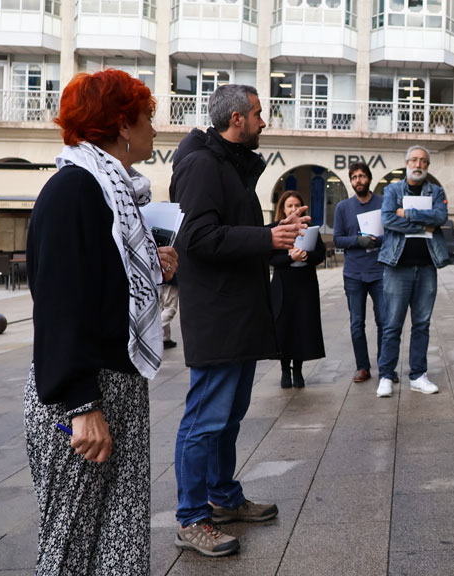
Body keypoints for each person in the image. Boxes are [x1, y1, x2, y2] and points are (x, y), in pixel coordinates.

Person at [24, 68, 178, 575]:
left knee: (119, 540)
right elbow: (60, 301)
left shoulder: (118, 192)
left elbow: (103, 275)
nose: (155, 129)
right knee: (72, 549)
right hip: (85, 397)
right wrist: (81, 403)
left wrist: (154, 262)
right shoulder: (75, 189)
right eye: (147, 118)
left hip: (119, 386)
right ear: (121, 125)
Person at [170, 84, 309, 556]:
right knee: (204, 421)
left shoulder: (228, 165)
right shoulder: (203, 166)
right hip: (218, 314)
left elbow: (237, 236)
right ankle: (191, 517)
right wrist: (267, 238)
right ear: (235, 120)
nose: (263, 121)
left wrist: (278, 237)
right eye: (256, 113)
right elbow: (199, 240)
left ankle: (223, 498)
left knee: (228, 418)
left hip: (239, 311)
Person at [375, 145, 450, 398]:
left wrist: (407, 213)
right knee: (392, 324)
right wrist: (423, 222)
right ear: (406, 162)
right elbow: (387, 220)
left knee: (422, 324)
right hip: (398, 267)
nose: (418, 165)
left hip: (427, 266)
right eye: (414, 160)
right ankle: (386, 375)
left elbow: (440, 218)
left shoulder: (436, 191)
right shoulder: (393, 190)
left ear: (427, 166)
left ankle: (418, 375)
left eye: (423, 161)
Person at [333, 161, 385, 384]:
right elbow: (337, 238)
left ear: (369, 178)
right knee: (357, 323)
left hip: (380, 271)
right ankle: (362, 367)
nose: (358, 181)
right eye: (354, 177)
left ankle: (385, 366)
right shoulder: (343, 207)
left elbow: (393, 233)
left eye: (362, 176)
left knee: (385, 321)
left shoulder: (383, 204)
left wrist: (377, 240)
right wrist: (357, 240)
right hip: (354, 273)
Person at [271, 190, 327, 388]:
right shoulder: (275, 229)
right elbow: (270, 258)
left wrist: (305, 256)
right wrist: (290, 258)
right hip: (283, 284)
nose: (293, 209)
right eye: (289, 206)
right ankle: (285, 369)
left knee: (302, 326)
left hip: (305, 284)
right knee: (284, 327)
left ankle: (298, 370)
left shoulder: (310, 228)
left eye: (297, 205)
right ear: (283, 209)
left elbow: (320, 254)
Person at [161, 279, 179, 349]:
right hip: (169, 276)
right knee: (170, 308)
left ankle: (165, 338)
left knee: (161, 308)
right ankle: (155, 331)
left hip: (157, 277)